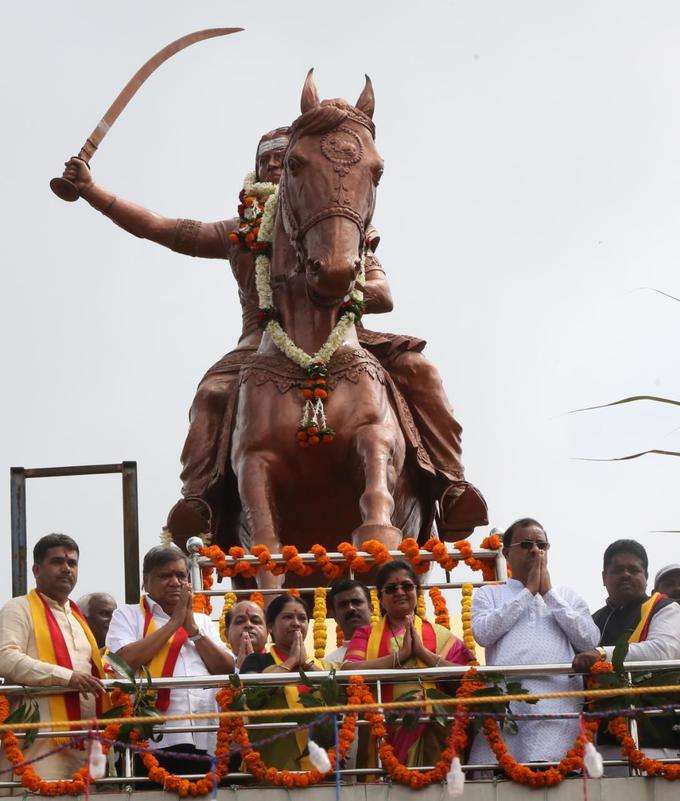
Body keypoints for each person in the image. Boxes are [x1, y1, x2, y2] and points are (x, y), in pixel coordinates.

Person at [61, 129, 487, 543]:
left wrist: (343, 283)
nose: (272, 168)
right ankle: (201, 499)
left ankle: (451, 485)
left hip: (347, 336)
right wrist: (94, 193)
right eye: (264, 161)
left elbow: (383, 293)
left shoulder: (339, 228)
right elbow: (166, 229)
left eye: (281, 161)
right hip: (260, 346)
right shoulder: (240, 233)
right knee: (210, 394)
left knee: (420, 370)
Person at [469, 518, 599, 768]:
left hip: (559, 708)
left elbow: (589, 640)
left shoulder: (567, 595)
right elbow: (484, 634)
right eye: (526, 544)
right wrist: (527, 592)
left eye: (542, 545)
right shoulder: (490, 593)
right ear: (506, 553)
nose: (535, 550)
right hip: (509, 707)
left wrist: (549, 595)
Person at [106, 546, 234, 776]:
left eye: (181, 576)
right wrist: (174, 624)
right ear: (146, 582)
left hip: (206, 736)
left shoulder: (203, 621)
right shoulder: (128, 615)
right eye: (165, 576)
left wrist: (193, 630)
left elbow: (226, 669)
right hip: (151, 739)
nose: (175, 582)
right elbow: (123, 662)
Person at [345, 559, 473, 767]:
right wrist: (400, 656)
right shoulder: (366, 634)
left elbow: (470, 678)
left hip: (435, 735)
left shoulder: (441, 635)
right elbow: (348, 671)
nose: (399, 592)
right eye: (391, 588)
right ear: (381, 598)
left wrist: (424, 654)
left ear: (417, 592)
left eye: (406, 586)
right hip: (383, 735)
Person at [0, 534, 107, 782]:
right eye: (57, 562)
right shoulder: (19, 608)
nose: (66, 569)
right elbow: (5, 658)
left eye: (72, 563)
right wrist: (67, 677)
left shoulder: (78, 617)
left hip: (86, 740)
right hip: (40, 740)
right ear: (37, 570)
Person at [572, 540, 680, 765]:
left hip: (659, 739)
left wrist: (601, 654)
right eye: (617, 570)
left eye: (634, 569)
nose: (626, 575)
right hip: (604, 742)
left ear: (646, 576)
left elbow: (662, 651)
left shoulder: (665, 608)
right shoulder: (593, 621)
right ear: (604, 577)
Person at [240, 593, 324, 771]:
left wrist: (306, 664)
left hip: (321, 762)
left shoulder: (320, 666)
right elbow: (252, 697)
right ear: (270, 626)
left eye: (302, 618)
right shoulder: (257, 661)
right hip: (272, 763)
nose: (296, 623)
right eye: (288, 617)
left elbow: (337, 699)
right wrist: (291, 662)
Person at [325, 579, 372, 667]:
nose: (351, 608)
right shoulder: (329, 663)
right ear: (334, 615)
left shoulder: (391, 644)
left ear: (371, 608)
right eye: (343, 604)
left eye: (357, 602)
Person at [225, 599, 268, 670]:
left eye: (255, 621)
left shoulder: (279, 664)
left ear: (268, 632)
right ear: (226, 634)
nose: (248, 625)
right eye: (240, 621)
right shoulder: (217, 668)